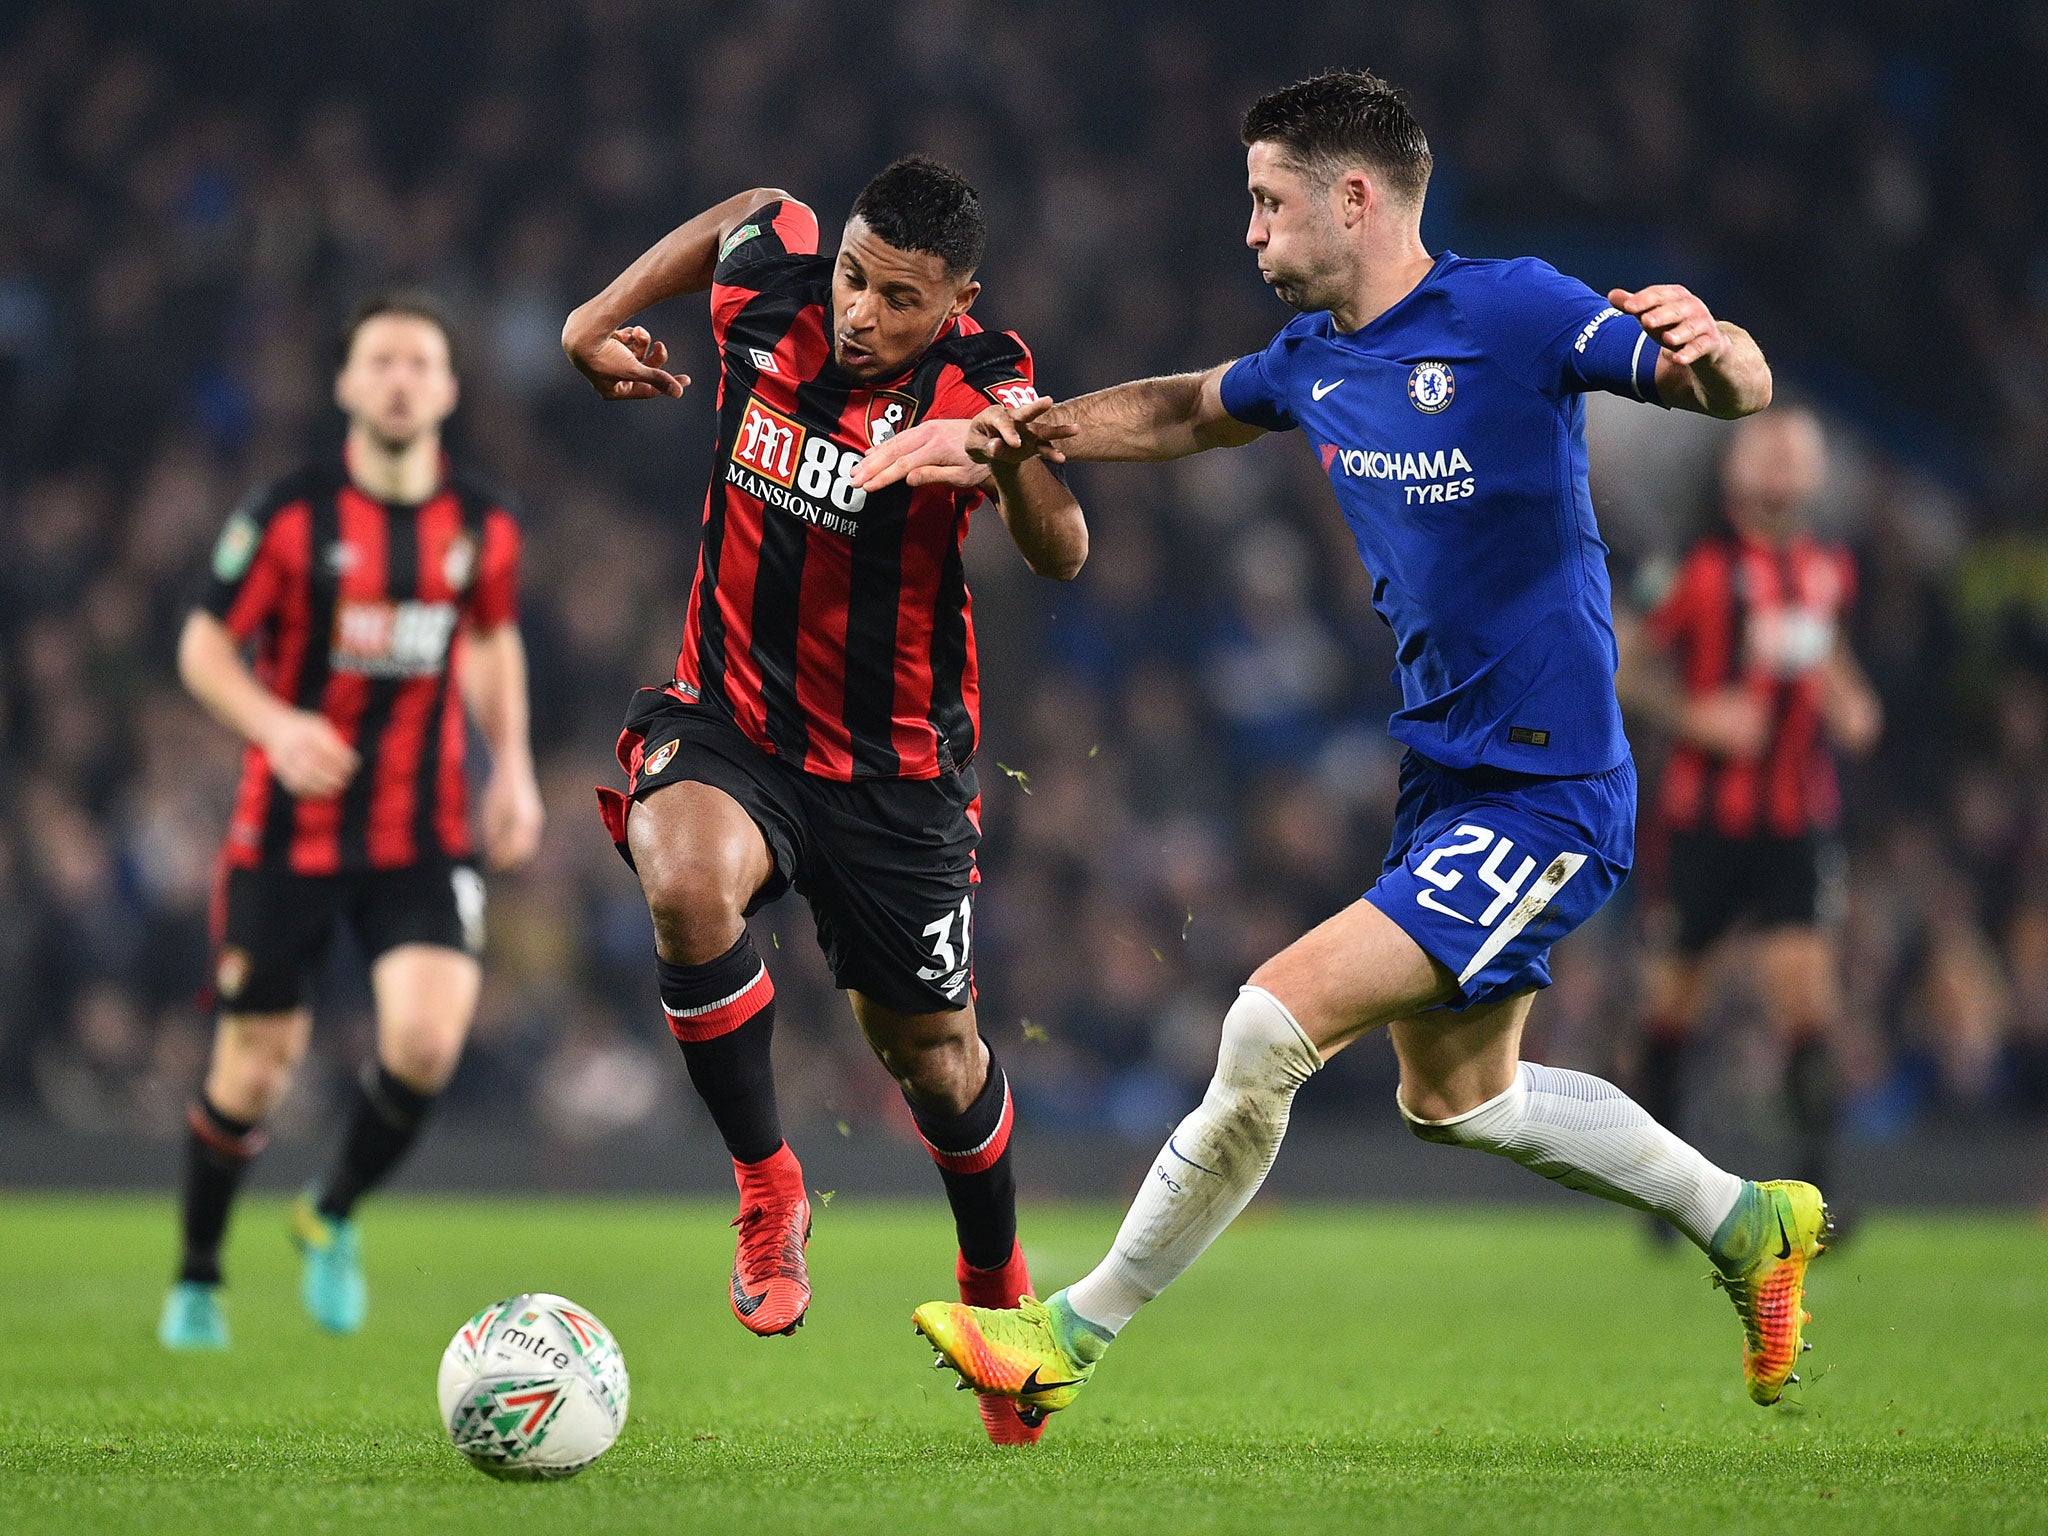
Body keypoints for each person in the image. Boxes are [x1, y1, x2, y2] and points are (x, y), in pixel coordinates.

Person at [860, 70, 1821, 1421]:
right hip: (1448, 780)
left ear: (1352, 199)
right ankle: (1745, 1221)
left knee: (1266, 1023)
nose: (1248, 232)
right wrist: (1031, 428)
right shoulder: (1314, 359)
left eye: (1267, 203)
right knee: (1461, 1100)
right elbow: (1190, 408)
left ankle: (1066, 1336)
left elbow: (1728, 392)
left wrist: (1719, 347)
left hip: (1549, 788)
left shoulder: (1512, 308)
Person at [560, 156, 1086, 1445]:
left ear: (957, 300)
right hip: (727, 722)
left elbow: (1064, 550)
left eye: (900, 299)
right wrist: (589, 322)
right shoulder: (775, 286)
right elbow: (742, 210)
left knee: (933, 1060)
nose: (860, 313)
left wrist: (1002, 461)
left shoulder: (982, 378)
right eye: (855, 277)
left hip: (892, 774)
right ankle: (766, 1184)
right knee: (681, 880)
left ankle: (1001, 1309)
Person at [160, 293, 544, 1349]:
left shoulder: (483, 523)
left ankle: (327, 1214)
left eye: (421, 361)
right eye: (380, 360)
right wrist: (275, 725)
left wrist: (510, 767)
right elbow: (201, 645)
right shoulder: (287, 514)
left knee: (424, 1040)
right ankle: (198, 1277)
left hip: (419, 832)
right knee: (253, 1071)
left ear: (449, 390)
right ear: (343, 384)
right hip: (286, 835)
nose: (400, 379)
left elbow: (491, 640)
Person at [1620, 407, 1881, 1240]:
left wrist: (1850, 698)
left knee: (1809, 1004)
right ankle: (1661, 1200)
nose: (1781, 465)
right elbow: (1623, 661)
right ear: (1735, 466)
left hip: (1797, 821)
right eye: (1766, 448)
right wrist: (1698, 717)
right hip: (1701, 821)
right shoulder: (1693, 563)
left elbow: (1822, 649)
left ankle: (1816, 1201)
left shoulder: (1827, 566)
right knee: (1673, 1011)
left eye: (1795, 452)